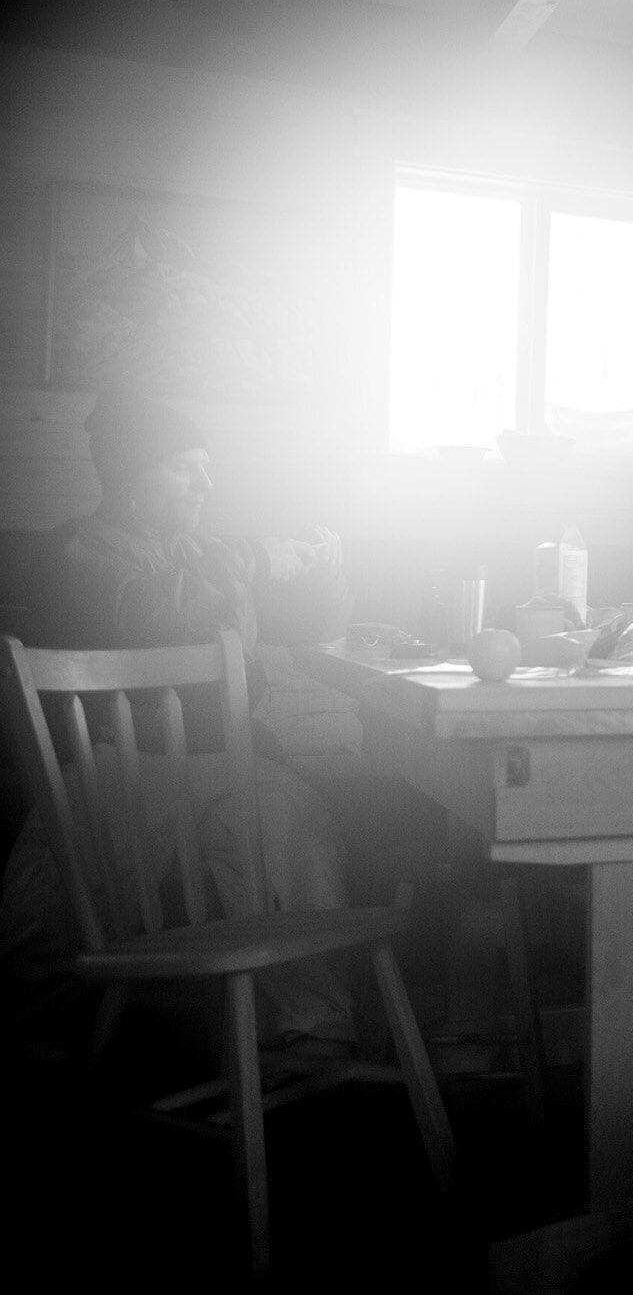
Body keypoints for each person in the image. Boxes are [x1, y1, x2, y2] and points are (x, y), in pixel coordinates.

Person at [2, 392, 357, 1055]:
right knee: (41, 932)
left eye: (207, 466)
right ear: (133, 476)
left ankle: (313, 1036)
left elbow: (312, 626)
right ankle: (39, 1067)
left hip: (226, 761)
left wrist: (325, 566)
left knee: (295, 819)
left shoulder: (208, 554)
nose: (205, 481)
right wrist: (254, 559)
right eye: (183, 466)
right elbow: (143, 615)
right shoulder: (77, 549)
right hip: (117, 762)